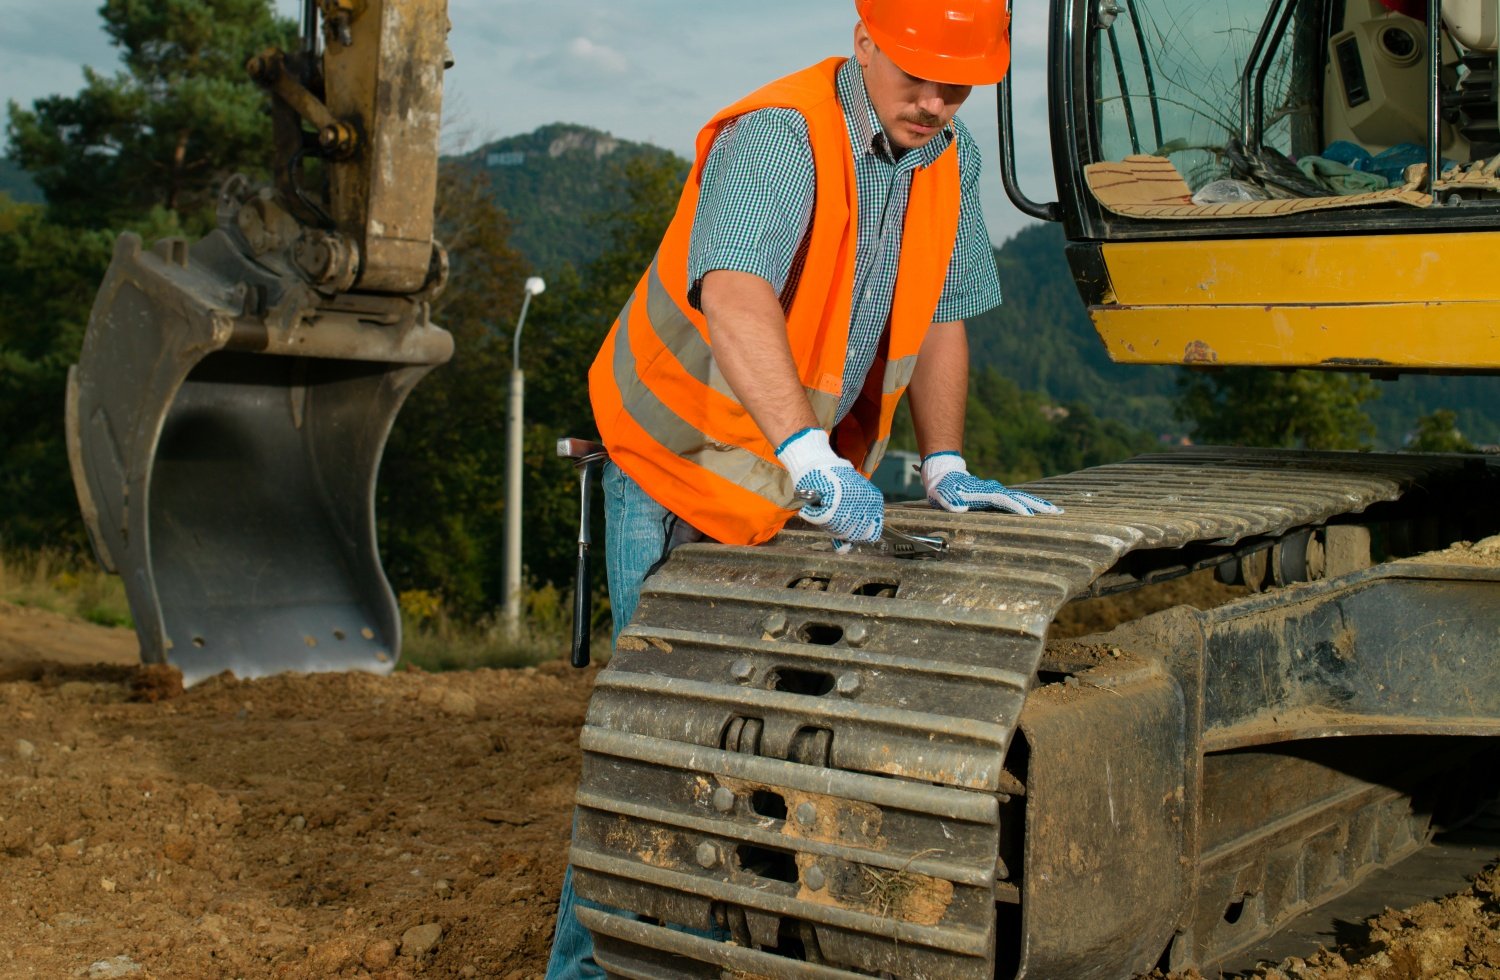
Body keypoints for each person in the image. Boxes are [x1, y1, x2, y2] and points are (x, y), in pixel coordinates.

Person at [547, 0, 1061, 974]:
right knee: (661, 746)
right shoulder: (780, 137)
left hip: (789, 477)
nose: (934, 101)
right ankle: (588, 969)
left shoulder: (948, 158)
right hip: (681, 463)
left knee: (740, 736)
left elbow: (942, 315)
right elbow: (734, 291)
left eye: (956, 85)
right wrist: (807, 450)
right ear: (864, 42)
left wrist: (944, 461)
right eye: (915, 75)